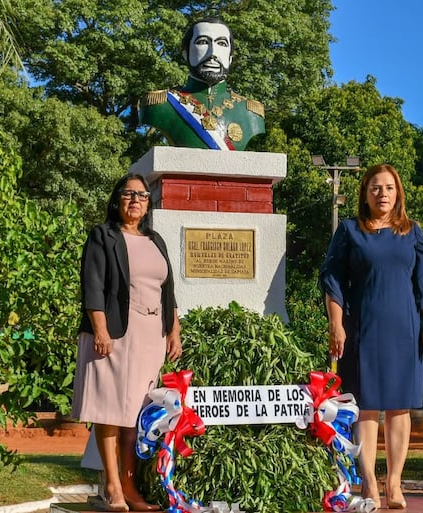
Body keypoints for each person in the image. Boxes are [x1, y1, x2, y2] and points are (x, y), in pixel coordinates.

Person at [319, 164, 423, 509]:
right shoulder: (349, 231)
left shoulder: (412, 231)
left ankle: (395, 483)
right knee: (366, 407)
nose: (382, 194)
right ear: (365, 194)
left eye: (388, 188)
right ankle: (369, 481)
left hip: (406, 329)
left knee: (400, 408)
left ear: (398, 192)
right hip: (363, 329)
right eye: (375, 188)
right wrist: (336, 324)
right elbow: (333, 280)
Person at [72, 173, 182, 512]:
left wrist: (173, 329)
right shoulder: (103, 236)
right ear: (117, 199)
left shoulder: (156, 240)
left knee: (135, 415)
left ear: (149, 204)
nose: (135, 200)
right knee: (110, 411)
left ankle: (131, 487)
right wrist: (100, 331)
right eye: (128, 194)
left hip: (151, 335)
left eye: (142, 196)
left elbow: (168, 290)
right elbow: (92, 286)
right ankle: (113, 486)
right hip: (115, 333)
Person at [140, 17, 265, 151]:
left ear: (230, 58)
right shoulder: (161, 104)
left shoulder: (250, 112)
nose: (212, 53)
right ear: (185, 54)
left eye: (221, 43)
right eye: (203, 42)